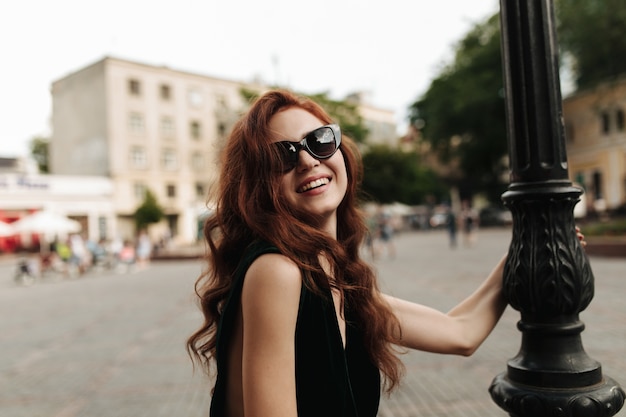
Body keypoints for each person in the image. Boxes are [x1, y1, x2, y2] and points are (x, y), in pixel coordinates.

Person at [186, 90, 584, 417]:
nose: (308, 160)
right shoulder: (277, 271)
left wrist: (527, 248)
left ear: (340, 152)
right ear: (257, 184)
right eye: (282, 156)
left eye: (320, 141)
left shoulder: (335, 278)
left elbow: (460, 332)